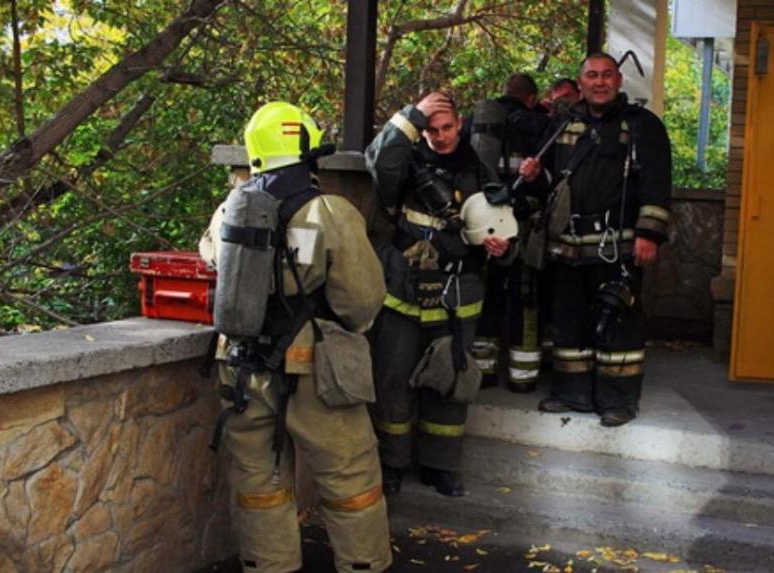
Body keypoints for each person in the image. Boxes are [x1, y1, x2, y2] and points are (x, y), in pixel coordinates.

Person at [199, 102, 392, 572]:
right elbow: (362, 301)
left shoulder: (229, 210)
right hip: (317, 372)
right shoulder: (329, 212)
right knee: (350, 479)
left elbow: (211, 258)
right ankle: (363, 565)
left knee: (259, 482)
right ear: (307, 151)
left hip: (243, 369)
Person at [366, 91, 511, 497]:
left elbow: (504, 223)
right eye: (432, 129)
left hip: (458, 293)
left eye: (448, 127)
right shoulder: (406, 165)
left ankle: (441, 466)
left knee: (451, 381)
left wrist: (502, 246)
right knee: (393, 378)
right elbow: (378, 161)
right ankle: (391, 463)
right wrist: (411, 117)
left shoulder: (480, 169)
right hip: (406, 290)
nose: (441, 136)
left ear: (460, 124)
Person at [519, 53, 673, 427]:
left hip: (617, 246)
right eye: (592, 75)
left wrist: (649, 233)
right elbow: (550, 185)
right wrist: (534, 175)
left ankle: (618, 400)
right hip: (567, 246)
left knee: (618, 321)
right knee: (568, 321)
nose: (599, 82)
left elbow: (657, 183)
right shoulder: (562, 123)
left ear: (618, 80)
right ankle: (571, 393)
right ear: (581, 82)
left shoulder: (642, 126)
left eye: (606, 75)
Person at [469, 72, 551, 393]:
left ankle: (483, 372)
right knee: (526, 300)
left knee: (486, 297)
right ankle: (523, 376)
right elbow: (552, 180)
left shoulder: (476, 123)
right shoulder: (538, 124)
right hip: (523, 228)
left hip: (484, 226)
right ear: (531, 98)